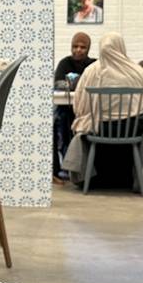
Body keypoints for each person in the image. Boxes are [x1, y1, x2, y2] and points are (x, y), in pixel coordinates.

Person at [67, 33, 143, 188]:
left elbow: (79, 104)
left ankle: (90, 177)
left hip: (100, 129)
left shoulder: (91, 71)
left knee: (79, 125)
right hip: (131, 129)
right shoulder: (137, 71)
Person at [52, 32, 92, 180]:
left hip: (86, 110)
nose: (78, 50)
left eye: (82, 47)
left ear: (88, 49)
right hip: (66, 108)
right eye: (75, 46)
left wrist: (73, 83)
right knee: (61, 119)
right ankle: (64, 164)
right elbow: (58, 83)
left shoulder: (92, 64)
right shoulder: (65, 63)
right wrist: (78, 83)